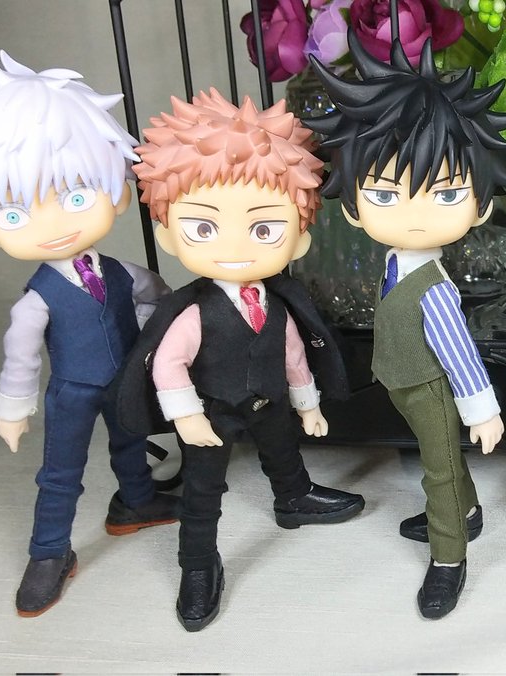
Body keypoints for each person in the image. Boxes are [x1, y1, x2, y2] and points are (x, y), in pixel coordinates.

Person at [0, 49, 178, 617]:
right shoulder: (38, 300)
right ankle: (49, 551)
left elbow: (160, 300)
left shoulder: (123, 273)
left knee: (131, 440)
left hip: (125, 380)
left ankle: (135, 502)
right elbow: (21, 356)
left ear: (116, 192)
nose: (54, 224)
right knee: (61, 473)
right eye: (14, 214)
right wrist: (12, 408)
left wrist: (159, 348)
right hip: (72, 391)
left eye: (77, 198)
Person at [116, 89, 363, 631]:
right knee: (204, 489)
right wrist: (187, 416)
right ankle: (198, 562)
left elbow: (293, 353)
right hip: (212, 411)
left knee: (283, 451)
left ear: (298, 239)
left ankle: (294, 497)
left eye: (264, 229)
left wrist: (308, 403)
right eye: (203, 228)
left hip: (269, 399)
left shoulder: (279, 303)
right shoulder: (193, 312)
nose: (235, 245)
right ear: (168, 234)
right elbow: (167, 364)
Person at [305, 32, 506, 619]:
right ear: (353, 205)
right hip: (401, 380)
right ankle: (468, 513)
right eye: (384, 193)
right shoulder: (394, 265)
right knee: (442, 459)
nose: (415, 212)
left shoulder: (435, 287)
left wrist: (482, 410)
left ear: (480, 206)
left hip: (429, 387)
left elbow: (459, 354)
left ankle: (449, 556)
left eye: (446, 194)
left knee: (439, 469)